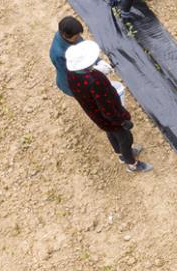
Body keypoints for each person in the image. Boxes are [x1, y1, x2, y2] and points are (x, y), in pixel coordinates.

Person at [65, 40, 152, 172]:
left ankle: (121, 154)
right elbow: (107, 109)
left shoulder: (71, 74)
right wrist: (123, 120)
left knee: (111, 133)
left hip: (96, 115)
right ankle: (132, 163)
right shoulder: (95, 80)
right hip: (111, 117)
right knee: (126, 137)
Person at [49, 16, 85, 96]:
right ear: (65, 35)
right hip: (72, 84)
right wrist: (91, 70)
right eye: (76, 37)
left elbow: (84, 48)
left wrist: (99, 61)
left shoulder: (70, 34)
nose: (78, 37)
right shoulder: (58, 54)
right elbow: (71, 73)